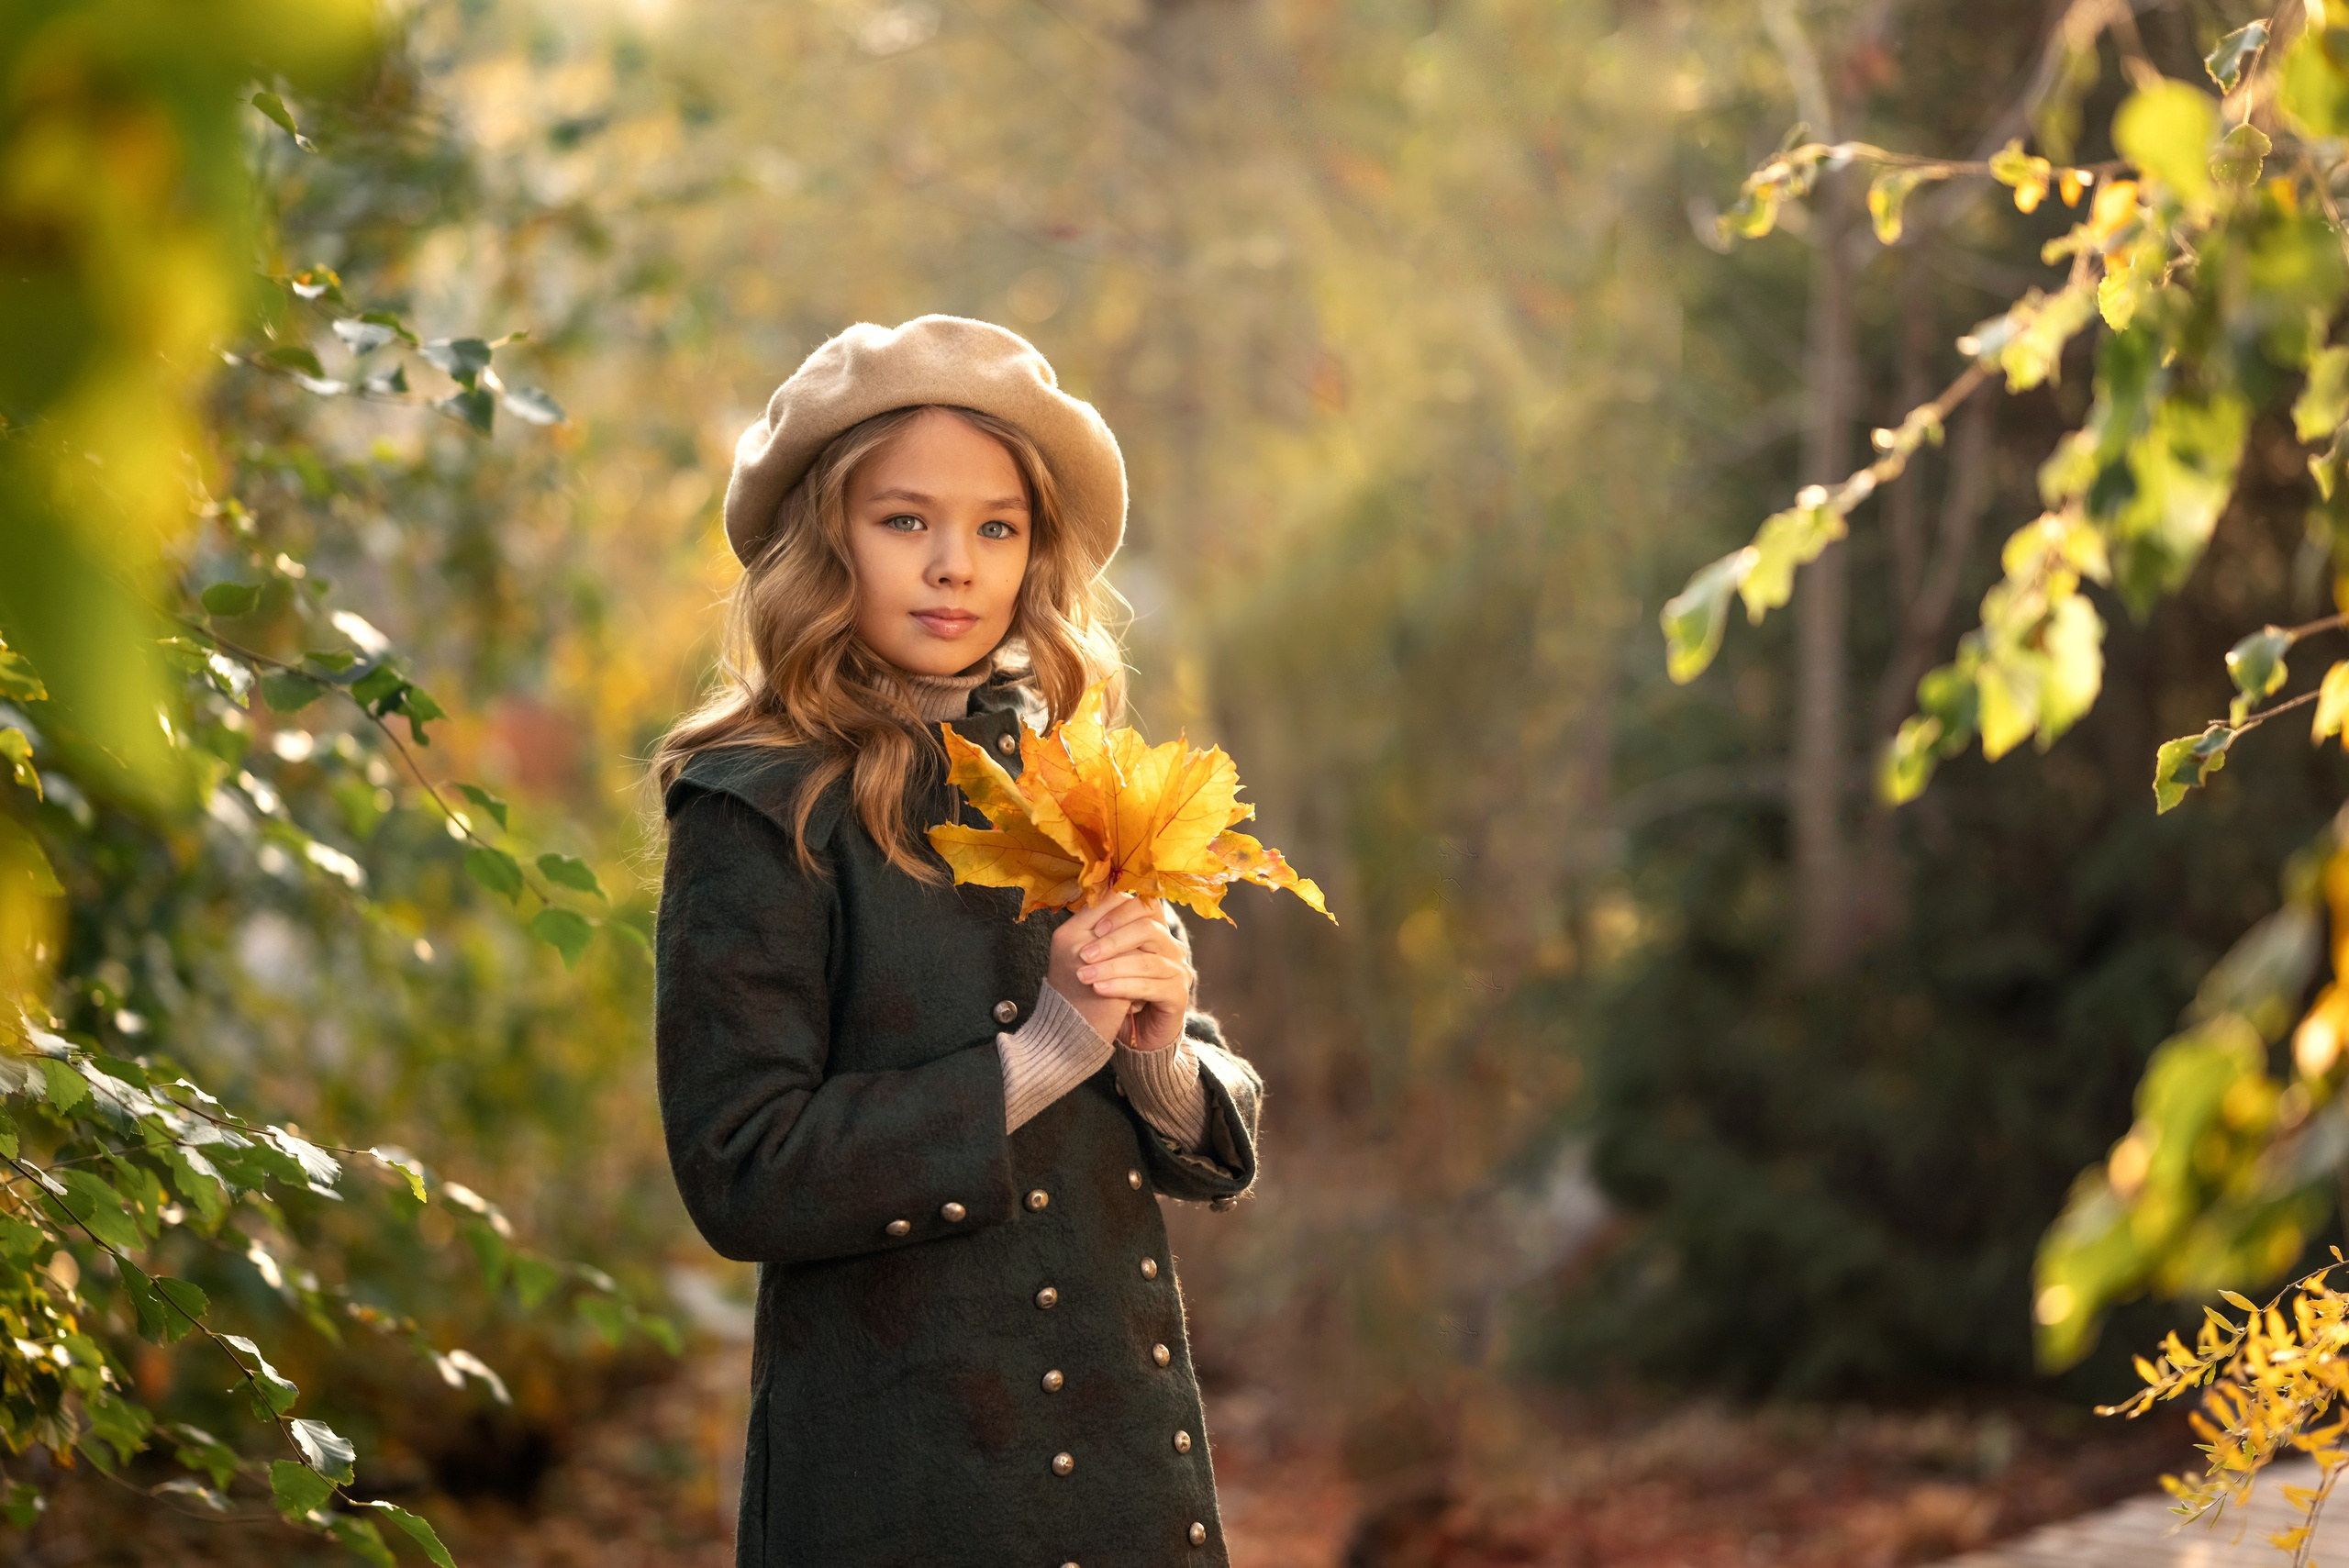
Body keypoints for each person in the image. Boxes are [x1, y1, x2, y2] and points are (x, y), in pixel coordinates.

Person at [651, 315, 1264, 1568]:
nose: (955, 565)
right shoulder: (757, 803)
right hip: (899, 1481)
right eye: (904, 521)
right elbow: (741, 1167)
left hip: (1117, 1469)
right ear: (826, 540)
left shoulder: (1062, 773)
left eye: (998, 526)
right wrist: (1039, 1055)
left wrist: (1155, 1053)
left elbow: (1203, 1134)